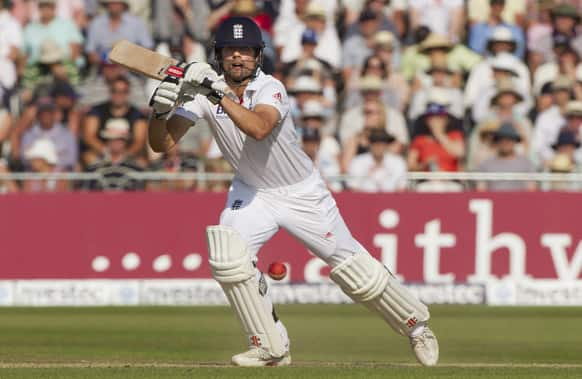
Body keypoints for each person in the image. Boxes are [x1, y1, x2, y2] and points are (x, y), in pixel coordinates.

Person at [147, 17, 438, 367]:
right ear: (219, 55)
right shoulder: (204, 95)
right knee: (228, 258)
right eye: (230, 51)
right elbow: (161, 144)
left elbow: (258, 128)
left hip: (300, 191)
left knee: (355, 272)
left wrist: (216, 93)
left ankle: (416, 326)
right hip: (252, 191)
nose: (238, 57)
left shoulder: (271, 89)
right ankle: (270, 346)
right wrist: (160, 112)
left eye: (245, 51)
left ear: (258, 56)